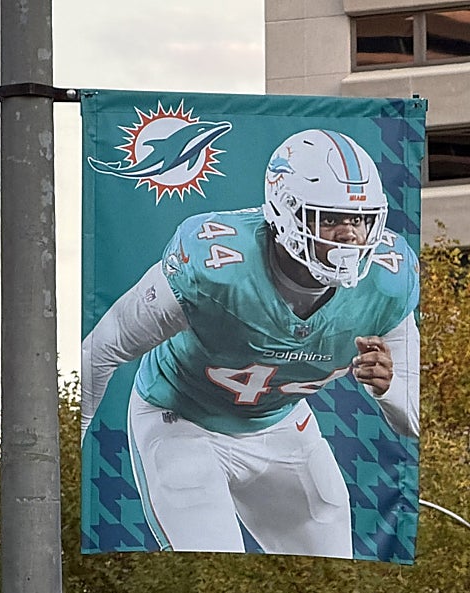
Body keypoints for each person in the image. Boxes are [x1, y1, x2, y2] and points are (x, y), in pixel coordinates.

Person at [81, 128, 419, 558]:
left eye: (359, 219)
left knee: (334, 583)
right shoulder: (215, 268)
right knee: (210, 572)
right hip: (182, 418)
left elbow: (413, 417)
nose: (349, 236)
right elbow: (104, 347)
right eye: (330, 219)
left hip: (279, 424)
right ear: (285, 212)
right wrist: (52, 463)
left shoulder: (388, 282)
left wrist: (388, 390)